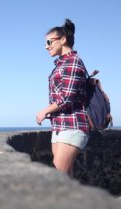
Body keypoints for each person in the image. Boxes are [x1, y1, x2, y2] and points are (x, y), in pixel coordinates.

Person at [36, 19, 90, 177]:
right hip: (60, 126)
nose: (46, 46)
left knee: (59, 177)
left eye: (49, 42)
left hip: (73, 126)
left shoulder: (73, 62)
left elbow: (67, 98)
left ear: (63, 39)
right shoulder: (61, 65)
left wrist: (45, 111)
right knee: (66, 177)